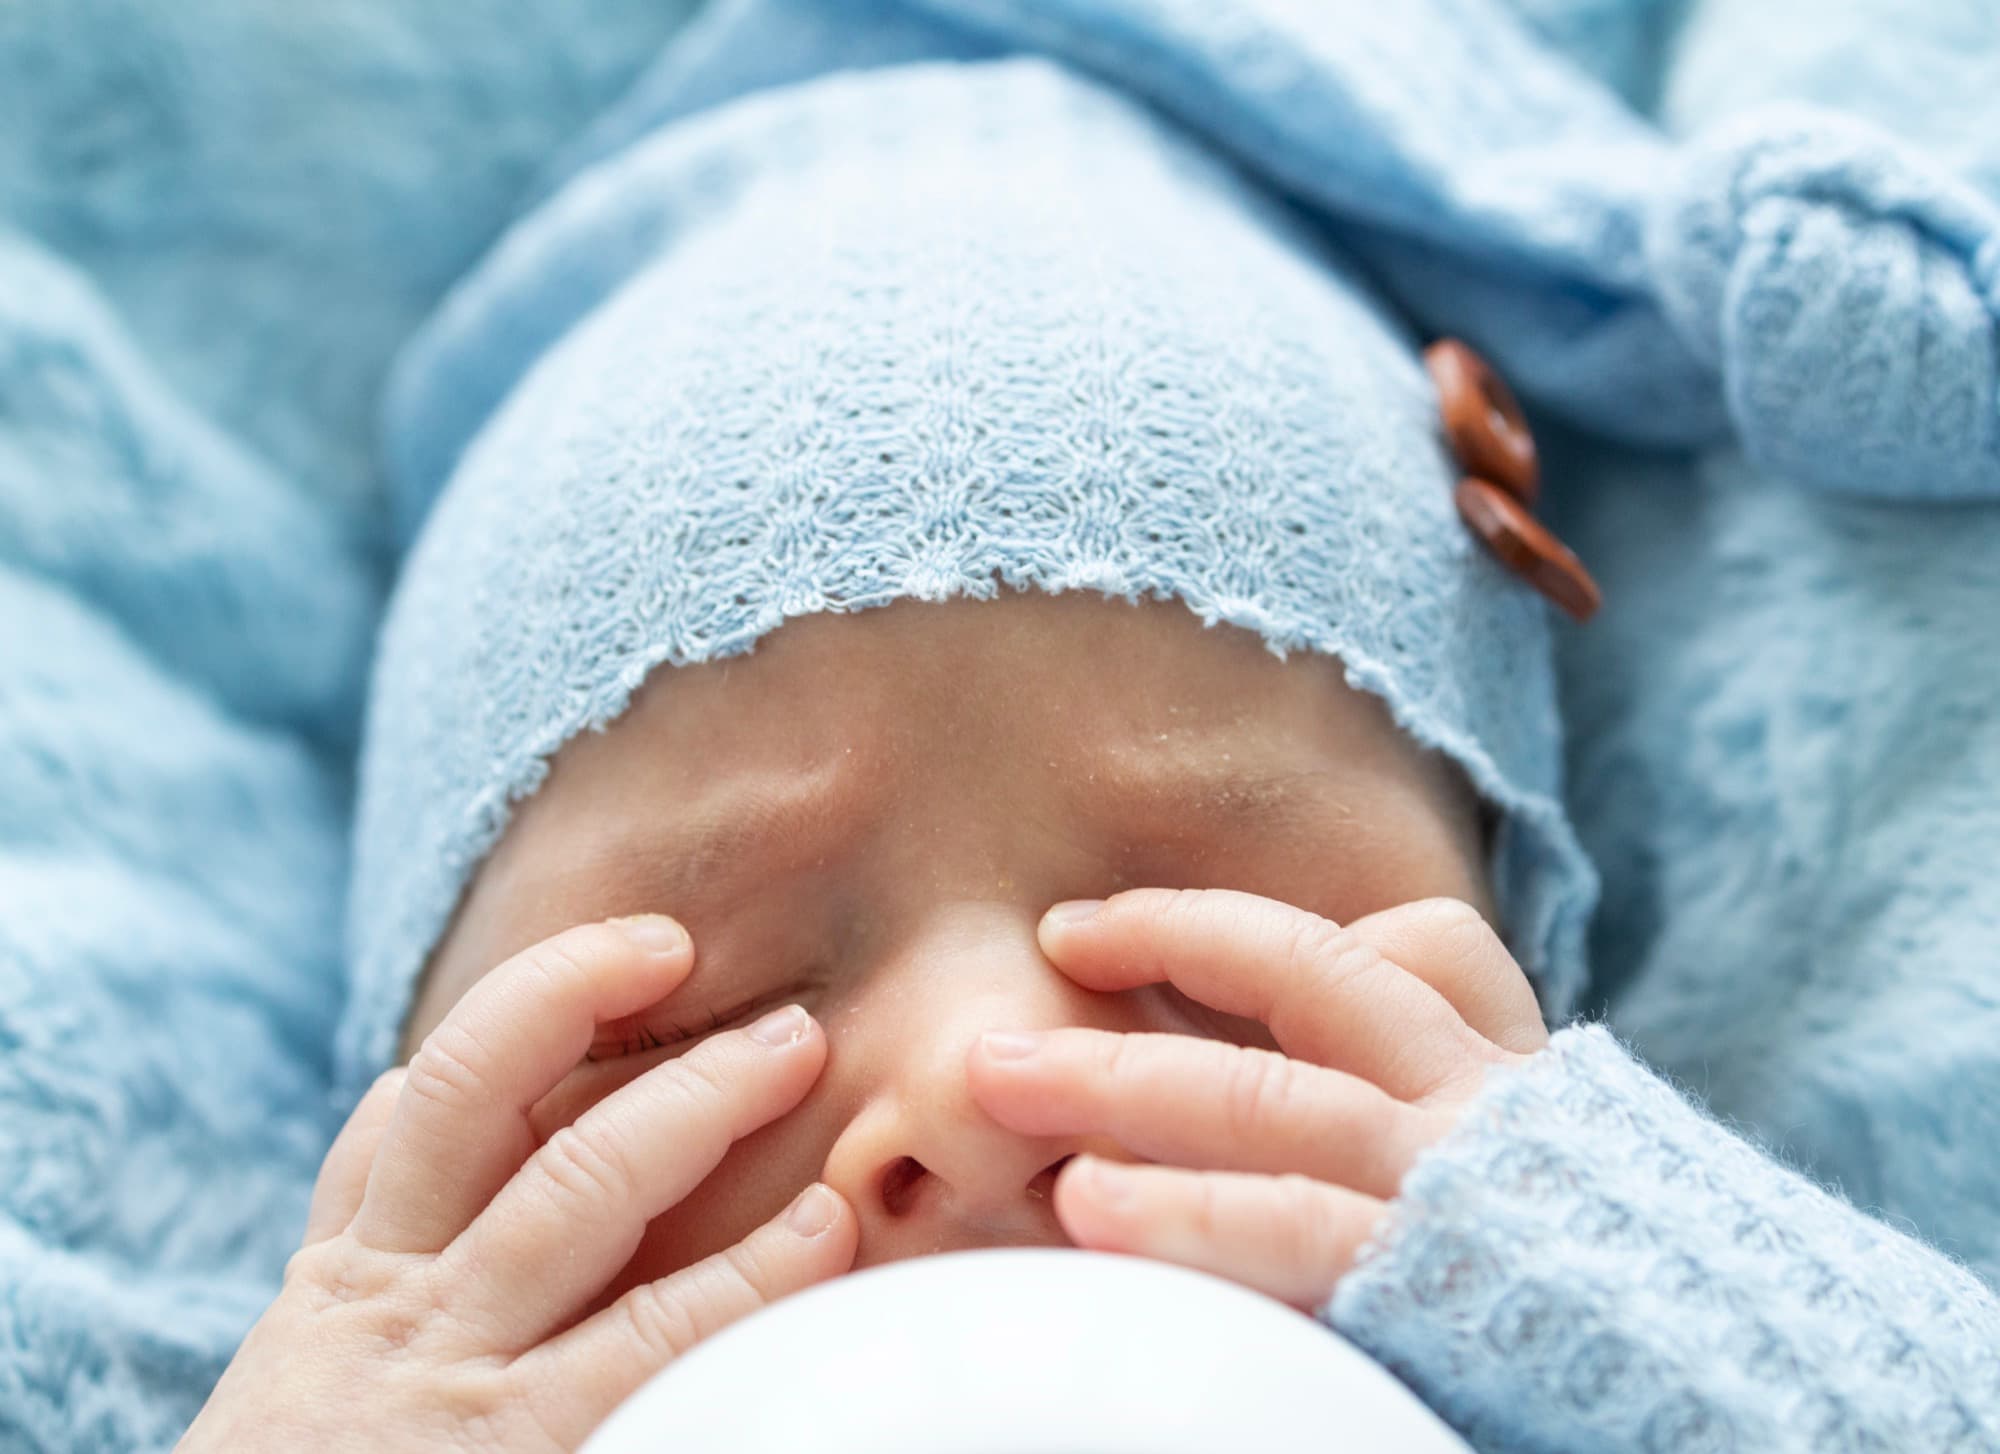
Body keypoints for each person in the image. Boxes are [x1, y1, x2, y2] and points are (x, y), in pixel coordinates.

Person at [179, 4, 2000, 1450]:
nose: (984, 1091)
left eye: (1218, 952)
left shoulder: (1619, 1333)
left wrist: (1700, 1325)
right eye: (690, 1025)